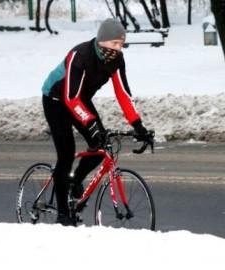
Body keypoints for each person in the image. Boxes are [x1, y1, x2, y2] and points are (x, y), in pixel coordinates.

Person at [41, 18, 153, 226]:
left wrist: (138, 126)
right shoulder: (80, 56)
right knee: (66, 155)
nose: (118, 49)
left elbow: (123, 94)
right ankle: (63, 215)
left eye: (121, 44)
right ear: (102, 41)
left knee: (101, 146)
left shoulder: (116, 61)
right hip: (56, 100)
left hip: (80, 100)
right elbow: (70, 98)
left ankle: (74, 181)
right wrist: (92, 124)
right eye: (114, 44)